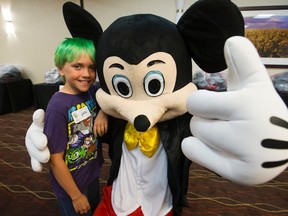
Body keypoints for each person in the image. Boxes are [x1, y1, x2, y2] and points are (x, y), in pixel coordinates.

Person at [43, 37, 108, 216]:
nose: (86, 74)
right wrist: (76, 196)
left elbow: (106, 100)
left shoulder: (91, 91)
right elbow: (55, 160)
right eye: (77, 66)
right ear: (60, 69)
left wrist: (103, 112)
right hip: (71, 186)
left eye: (92, 67)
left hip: (91, 174)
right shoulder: (57, 107)